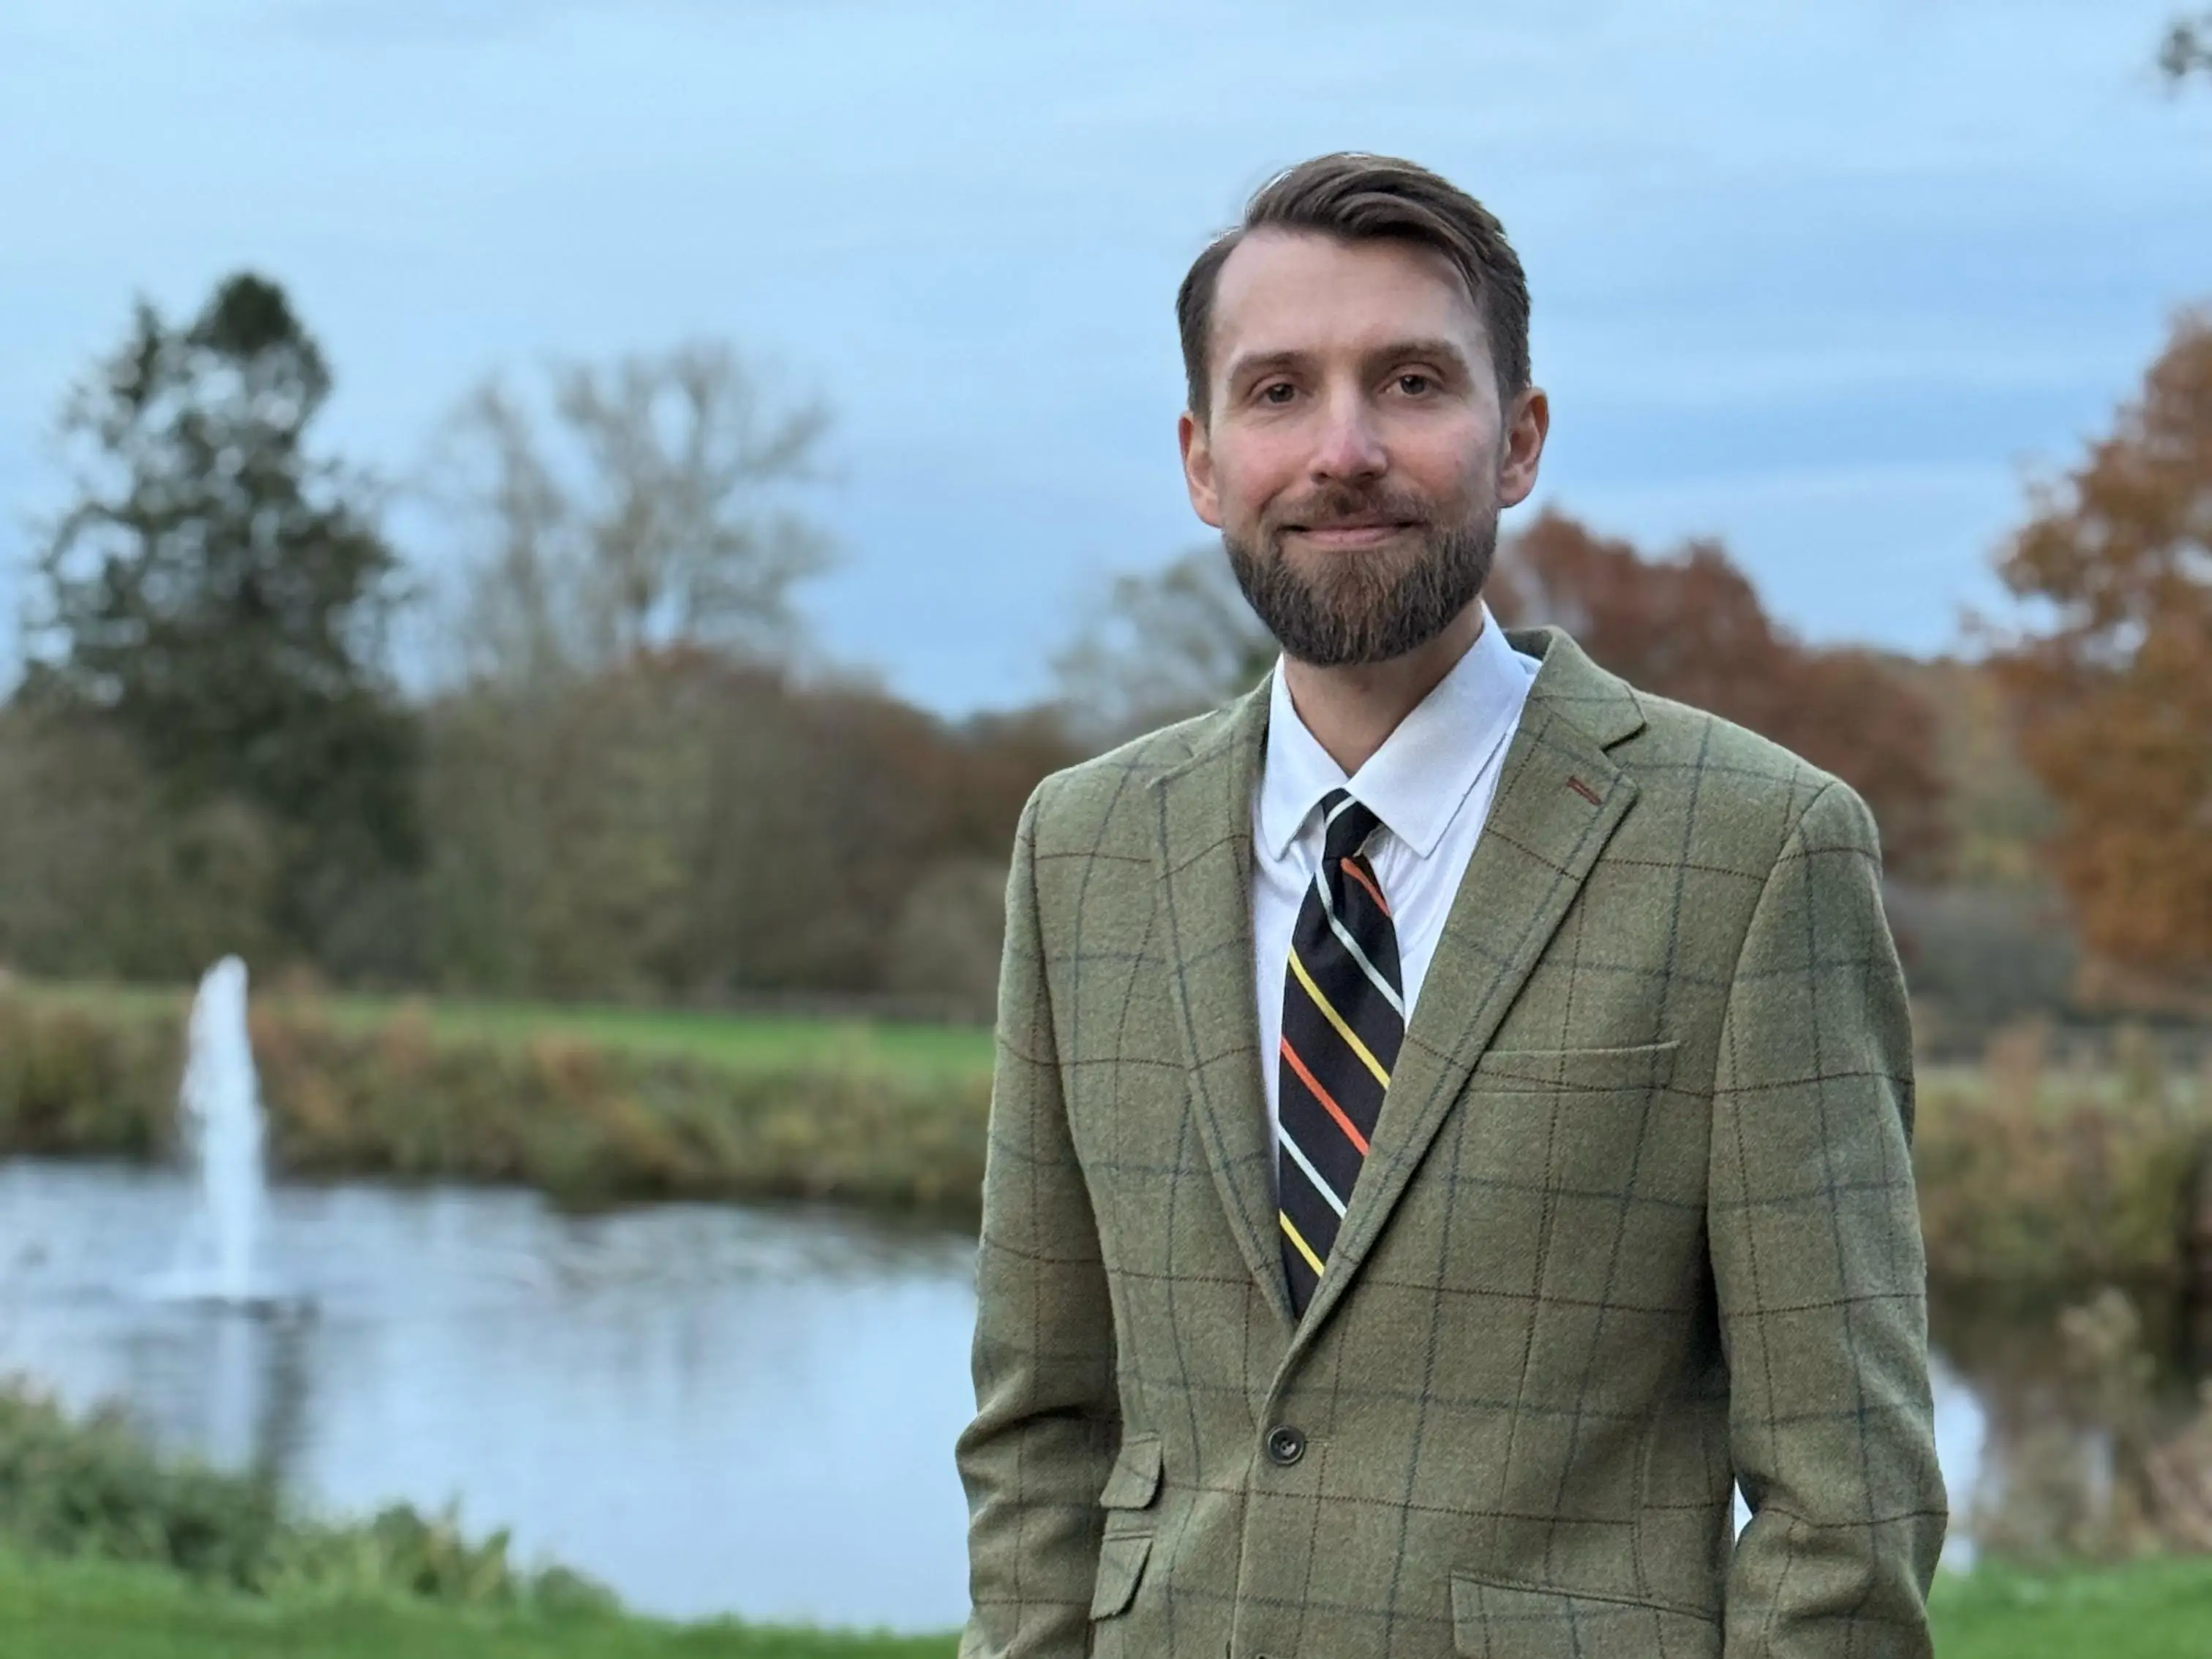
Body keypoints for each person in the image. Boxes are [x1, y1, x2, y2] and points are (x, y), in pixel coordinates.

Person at [956, 152, 1945, 1659]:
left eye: (1411, 381)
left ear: (1518, 438)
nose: (1343, 448)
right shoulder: (1081, 848)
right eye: (1278, 391)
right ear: (1203, 459)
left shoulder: (1754, 853)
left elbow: (1845, 1512)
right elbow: (1040, 1428)